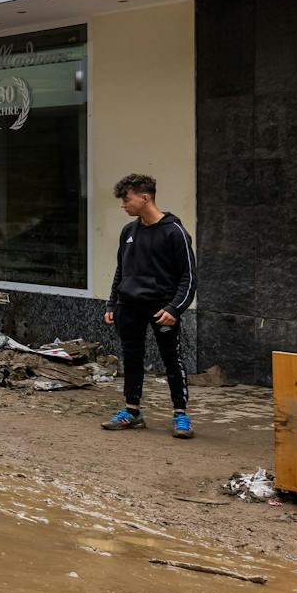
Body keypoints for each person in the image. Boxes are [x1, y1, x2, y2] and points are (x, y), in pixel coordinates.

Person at [101, 173, 197, 439]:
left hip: (162, 308)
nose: (123, 205)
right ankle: (132, 411)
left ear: (145, 198)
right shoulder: (129, 232)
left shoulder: (174, 231)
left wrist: (175, 309)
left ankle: (181, 414)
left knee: (172, 360)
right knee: (131, 358)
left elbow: (189, 277)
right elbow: (121, 270)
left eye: (127, 199)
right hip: (129, 306)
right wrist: (112, 303)